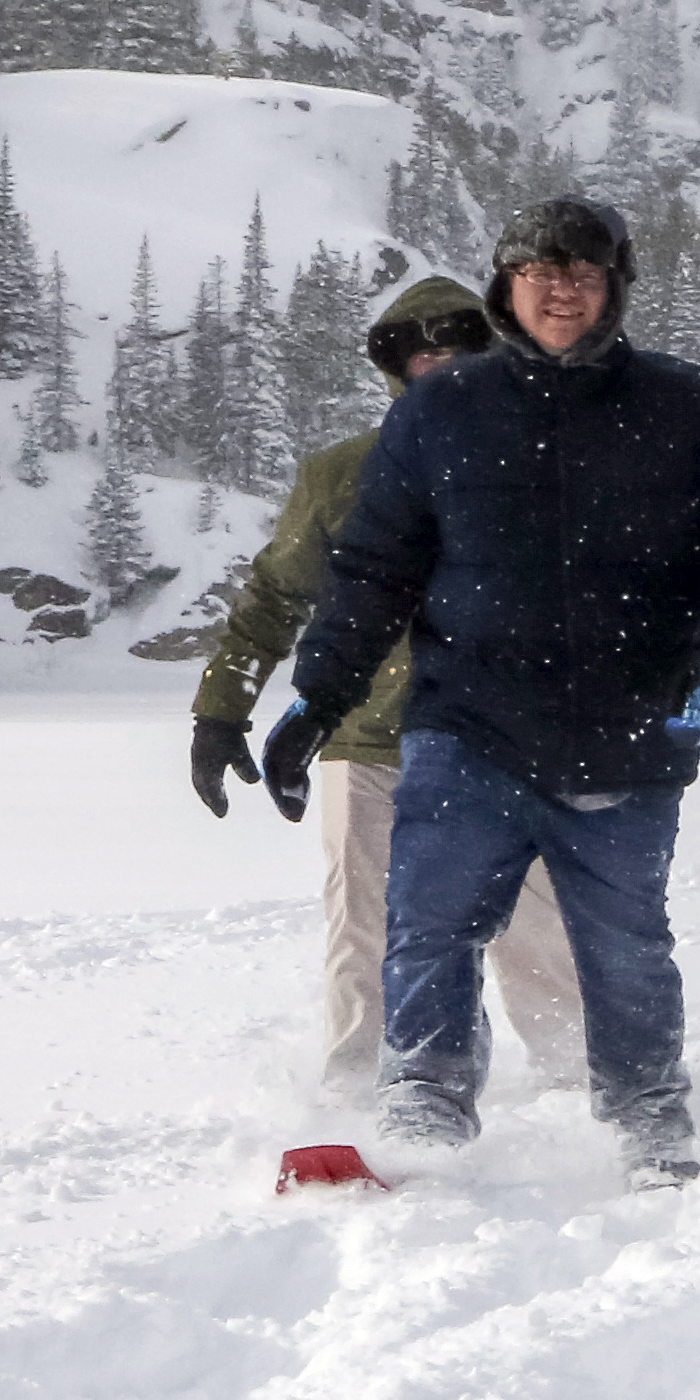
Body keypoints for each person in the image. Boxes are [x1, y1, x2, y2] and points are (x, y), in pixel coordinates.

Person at [265, 197, 700, 1188]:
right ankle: (424, 1104)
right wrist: (318, 695)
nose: (563, 289)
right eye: (541, 272)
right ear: (506, 287)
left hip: (630, 727)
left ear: (614, 289)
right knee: (430, 926)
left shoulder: (688, 407)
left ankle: (645, 1116)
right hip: (469, 720)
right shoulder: (442, 409)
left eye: (584, 273)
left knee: (625, 943)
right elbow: (377, 565)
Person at [189, 271, 586, 1106]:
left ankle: (579, 1083)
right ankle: (356, 1094)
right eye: (421, 356)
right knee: (363, 930)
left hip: (512, 739)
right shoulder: (342, 474)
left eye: (458, 351)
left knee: (536, 927)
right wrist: (221, 710)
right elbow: (273, 596)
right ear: (396, 370)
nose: (437, 368)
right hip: (367, 738)